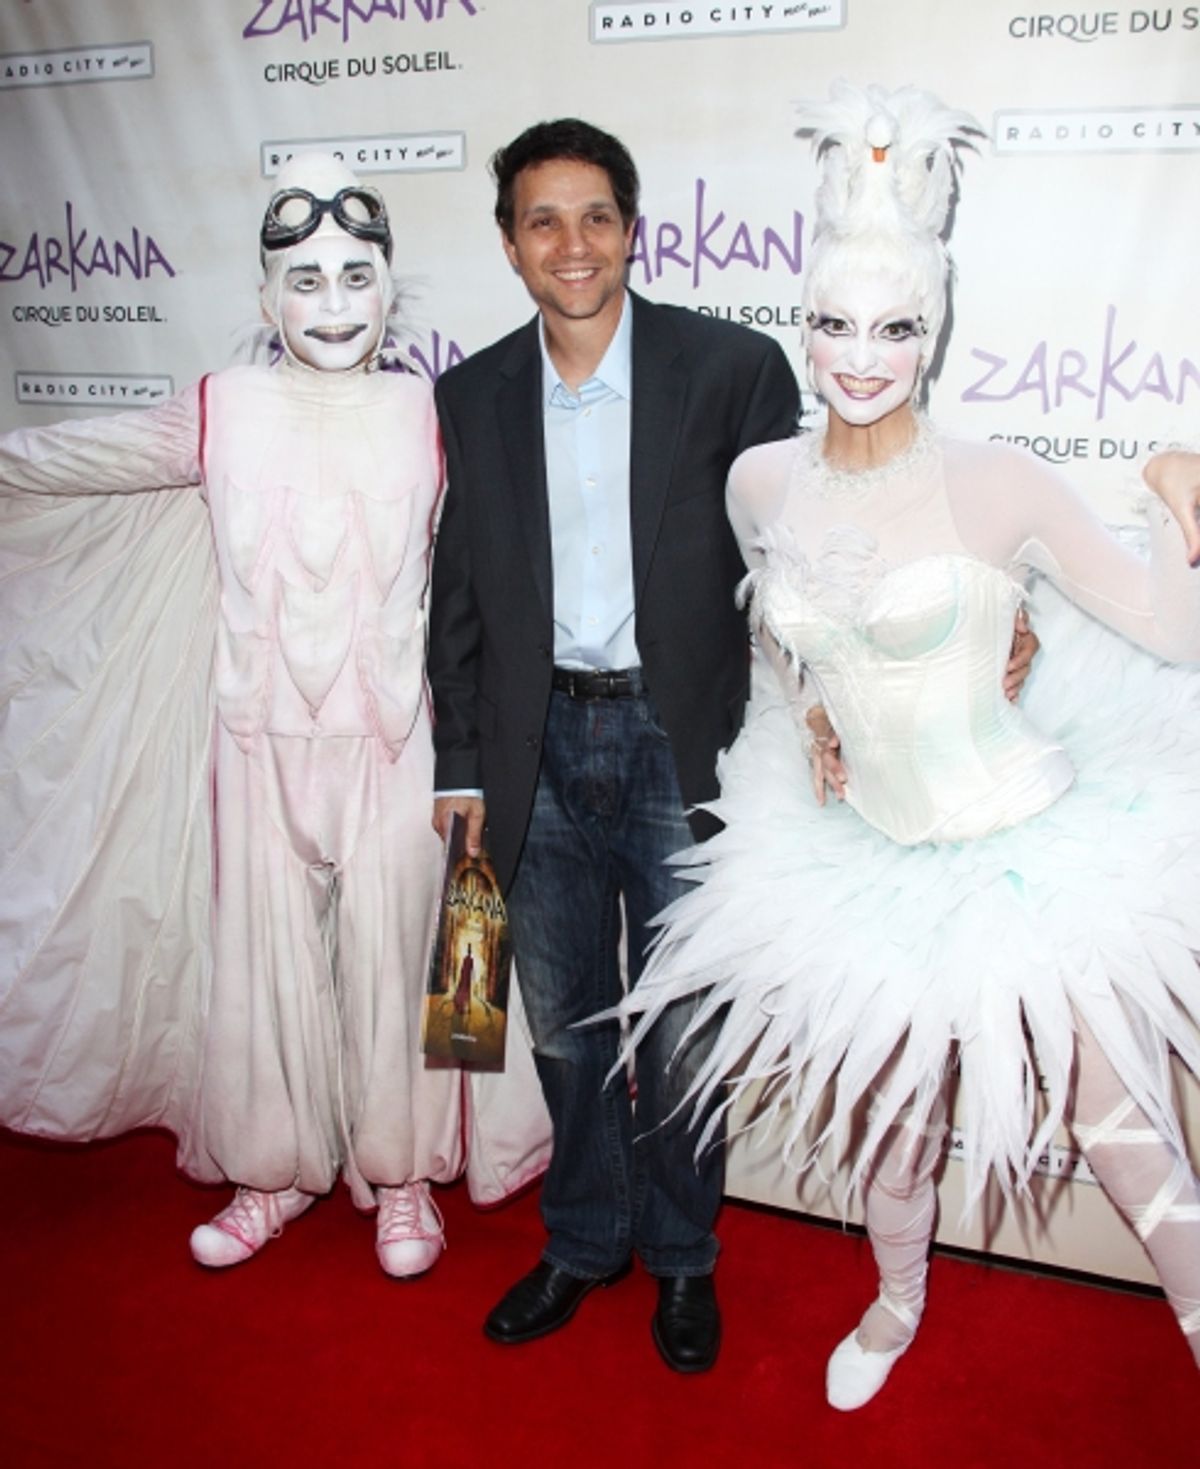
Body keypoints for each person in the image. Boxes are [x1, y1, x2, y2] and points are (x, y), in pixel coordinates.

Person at [614, 81, 1200, 1409]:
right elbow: (780, 616)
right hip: (865, 862)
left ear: (932, 331)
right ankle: (894, 1306)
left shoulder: (1001, 481)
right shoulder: (762, 478)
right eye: (832, 323)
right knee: (890, 1129)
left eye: (893, 327)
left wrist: (1176, 485)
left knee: (1124, 1139)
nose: (860, 354)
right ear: (801, 324)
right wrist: (815, 711)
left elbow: (1171, 624)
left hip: (1026, 853)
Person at [427, 116, 1038, 1371]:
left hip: (680, 742)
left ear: (631, 228)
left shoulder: (730, 368)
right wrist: (458, 765)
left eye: (595, 215)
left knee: (689, 1026)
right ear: (508, 245)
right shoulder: (470, 390)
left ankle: (684, 1259)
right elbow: (461, 596)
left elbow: (829, 523)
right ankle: (583, 1237)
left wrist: (988, 599)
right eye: (543, 220)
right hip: (528, 752)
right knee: (559, 1026)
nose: (572, 243)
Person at [0, 154, 549, 1277]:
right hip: (254, 748)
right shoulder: (220, 405)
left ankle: (405, 1180)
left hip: (404, 750)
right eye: (305, 281)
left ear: (392, 291)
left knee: (431, 957)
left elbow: (510, 576)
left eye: (357, 276)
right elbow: (58, 460)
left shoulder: (433, 413)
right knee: (260, 969)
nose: (335, 304)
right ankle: (272, 1172)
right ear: (264, 300)